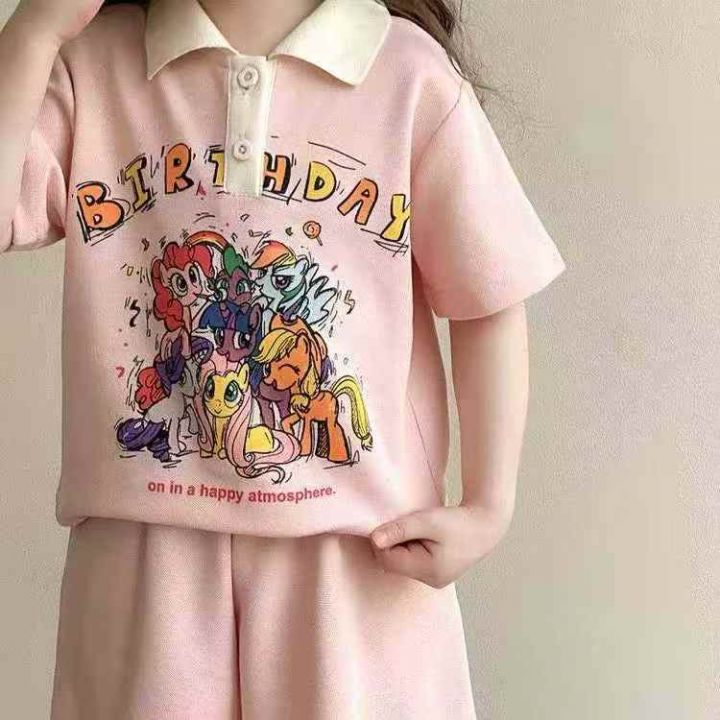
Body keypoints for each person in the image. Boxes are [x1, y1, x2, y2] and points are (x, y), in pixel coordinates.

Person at [0, 0, 566, 717]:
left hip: (356, 559)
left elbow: (489, 288)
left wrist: (488, 504)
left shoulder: (408, 75)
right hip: (143, 559)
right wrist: (34, 31)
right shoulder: (92, 63)